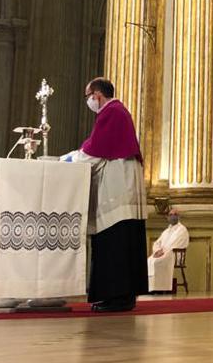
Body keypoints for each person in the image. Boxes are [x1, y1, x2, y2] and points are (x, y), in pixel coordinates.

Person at [69, 78, 147, 313]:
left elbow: (95, 150)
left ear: (97, 95)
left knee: (115, 239)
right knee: (119, 239)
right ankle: (117, 296)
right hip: (120, 178)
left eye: (88, 96)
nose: (88, 101)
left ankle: (118, 297)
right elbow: (97, 144)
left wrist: (71, 158)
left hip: (117, 183)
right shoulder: (115, 112)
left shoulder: (112, 112)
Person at [148, 208, 190, 293]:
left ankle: (160, 289)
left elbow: (176, 244)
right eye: (170, 215)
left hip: (174, 255)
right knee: (149, 261)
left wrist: (162, 252)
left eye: (175, 214)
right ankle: (152, 288)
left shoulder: (182, 229)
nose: (172, 217)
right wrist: (157, 251)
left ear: (178, 216)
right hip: (162, 254)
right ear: (167, 217)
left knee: (157, 262)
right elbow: (157, 243)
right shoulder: (166, 231)